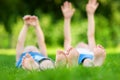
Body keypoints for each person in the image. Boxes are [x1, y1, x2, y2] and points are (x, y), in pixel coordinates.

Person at [57, 0, 106, 67]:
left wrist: (90, 14)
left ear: (88, 47)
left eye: (85, 45)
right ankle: (94, 64)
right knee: (80, 57)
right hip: (75, 56)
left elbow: (91, 35)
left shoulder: (90, 50)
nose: (81, 43)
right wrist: (67, 19)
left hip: (84, 56)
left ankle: (91, 63)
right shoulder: (72, 51)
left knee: (86, 59)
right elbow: (67, 39)